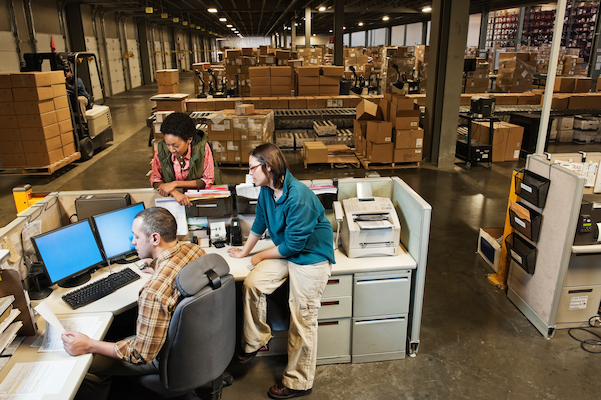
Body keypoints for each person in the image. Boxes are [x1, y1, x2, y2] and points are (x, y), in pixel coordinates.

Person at [61, 207, 206, 400]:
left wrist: (89, 345)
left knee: (88, 366)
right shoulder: (194, 250)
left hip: (166, 355)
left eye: (136, 237)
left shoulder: (154, 292)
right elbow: (178, 274)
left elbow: (141, 354)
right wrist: (159, 271)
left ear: (155, 239)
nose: (132, 242)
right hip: (198, 342)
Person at [227, 143, 335, 399]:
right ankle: (255, 341)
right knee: (252, 284)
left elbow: (295, 245)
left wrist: (262, 254)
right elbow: (261, 222)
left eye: (253, 168)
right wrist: (245, 251)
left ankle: (299, 382)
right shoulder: (266, 190)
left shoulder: (299, 196)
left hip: (311, 256)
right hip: (287, 251)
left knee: (302, 316)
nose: (250, 173)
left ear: (269, 167)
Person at [150, 112, 221, 206]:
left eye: (176, 145)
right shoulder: (161, 149)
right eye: (168, 144)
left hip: (199, 199)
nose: (171, 149)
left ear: (189, 139)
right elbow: (155, 179)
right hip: (174, 201)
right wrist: (174, 192)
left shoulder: (202, 148)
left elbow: (207, 180)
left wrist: (175, 184)